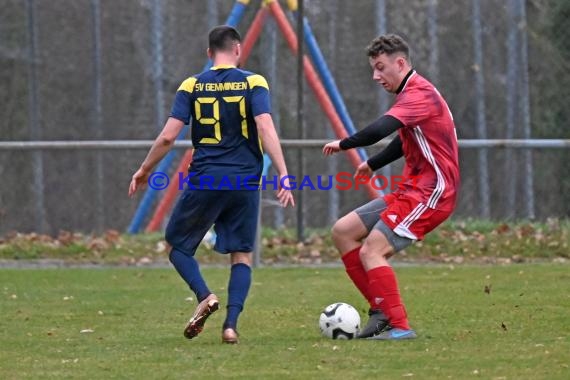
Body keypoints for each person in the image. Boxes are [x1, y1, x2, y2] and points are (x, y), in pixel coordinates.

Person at [129, 25, 294, 344]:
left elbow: (167, 137)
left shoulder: (191, 86)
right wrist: (283, 174)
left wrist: (144, 169)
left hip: (206, 178)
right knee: (242, 254)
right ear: (238, 50)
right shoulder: (254, 81)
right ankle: (230, 326)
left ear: (209, 54)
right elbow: (265, 126)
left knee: (177, 245)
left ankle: (204, 295)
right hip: (246, 179)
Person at [323, 34, 460, 340]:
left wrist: (345, 144)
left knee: (372, 249)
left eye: (381, 68)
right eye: (373, 68)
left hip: (433, 193)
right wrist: (373, 164)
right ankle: (380, 309)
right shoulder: (411, 96)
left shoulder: (419, 94)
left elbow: (381, 129)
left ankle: (399, 326)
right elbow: (404, 139)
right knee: (343, 232)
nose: (376, 76)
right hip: (410, 189)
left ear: (400, 63)